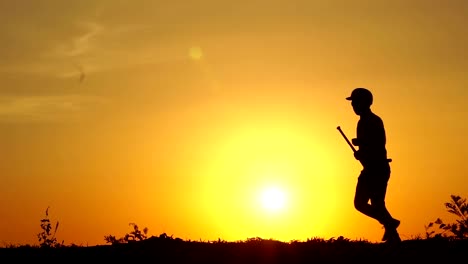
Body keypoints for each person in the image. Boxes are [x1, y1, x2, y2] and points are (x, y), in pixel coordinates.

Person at [346, 87, 401, 243]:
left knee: (368, 204)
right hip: (371, 168)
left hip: (377, 169)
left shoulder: (372, 120)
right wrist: (360, 152)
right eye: (353, 103)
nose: (353, 106)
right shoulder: (363, 121)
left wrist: (361, 145)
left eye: (355, 102)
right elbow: (368, 148)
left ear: (365, 102)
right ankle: (392, 230)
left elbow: (378, 144)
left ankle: (391, 228)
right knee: (370, 204)